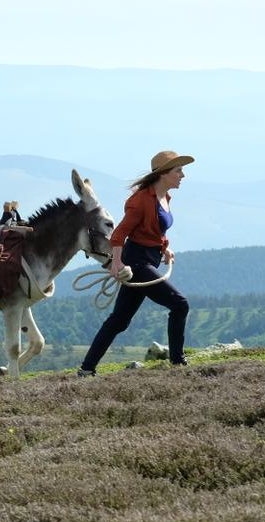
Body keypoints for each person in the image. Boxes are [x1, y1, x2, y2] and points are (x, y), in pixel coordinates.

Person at [78, 150, 193, 376]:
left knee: (119, 320)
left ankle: (86, 369)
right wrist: (116, 264)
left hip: (148, 259)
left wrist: (164, 248)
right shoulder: (139, 201)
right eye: (178, 170)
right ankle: (178, 364)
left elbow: (154, 230)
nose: (182, 175)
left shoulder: (164, 197)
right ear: (164, 174)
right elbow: (119, 235)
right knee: (180, 304)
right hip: (137, 263)